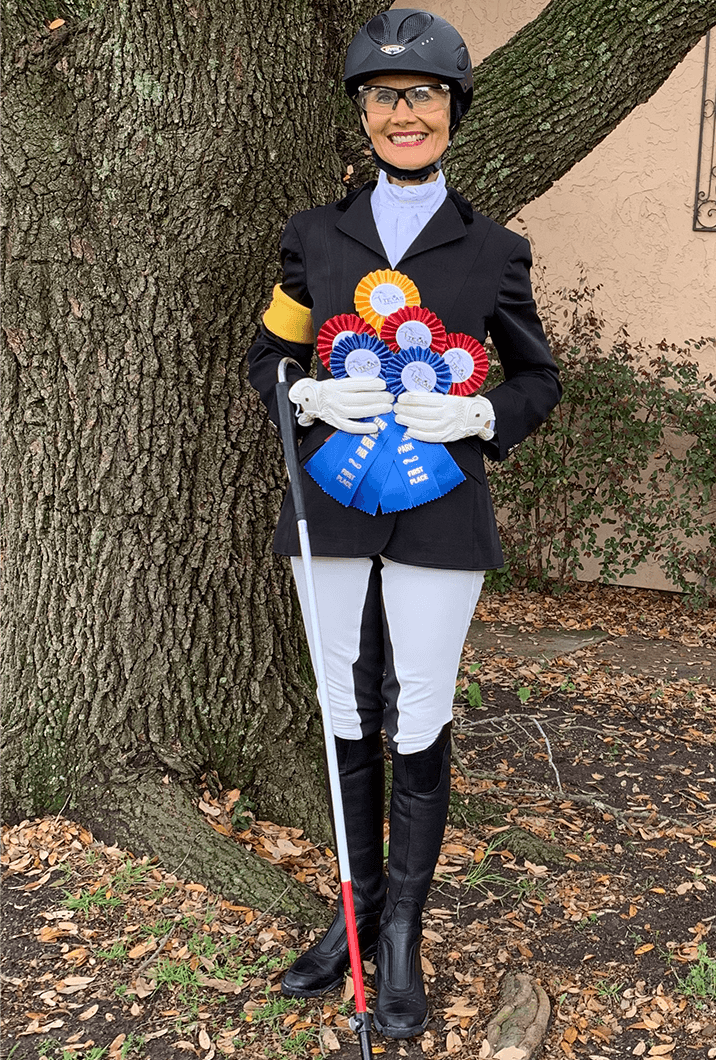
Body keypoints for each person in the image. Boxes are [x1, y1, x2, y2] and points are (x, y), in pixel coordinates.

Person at [247, 9, 561, 1039]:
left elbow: (539, 380)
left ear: (454, 112)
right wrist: (301, 397)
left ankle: (401, 940)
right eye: (386, 95)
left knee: (416, 710)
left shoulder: (497, 251)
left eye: (424, 94)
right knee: (345, 705)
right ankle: (354, 915)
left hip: (440, 513)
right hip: (332, 501)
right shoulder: (312, 235)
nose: (405, 111)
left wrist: (483, 413)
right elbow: (271, 355)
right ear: (365, 115)